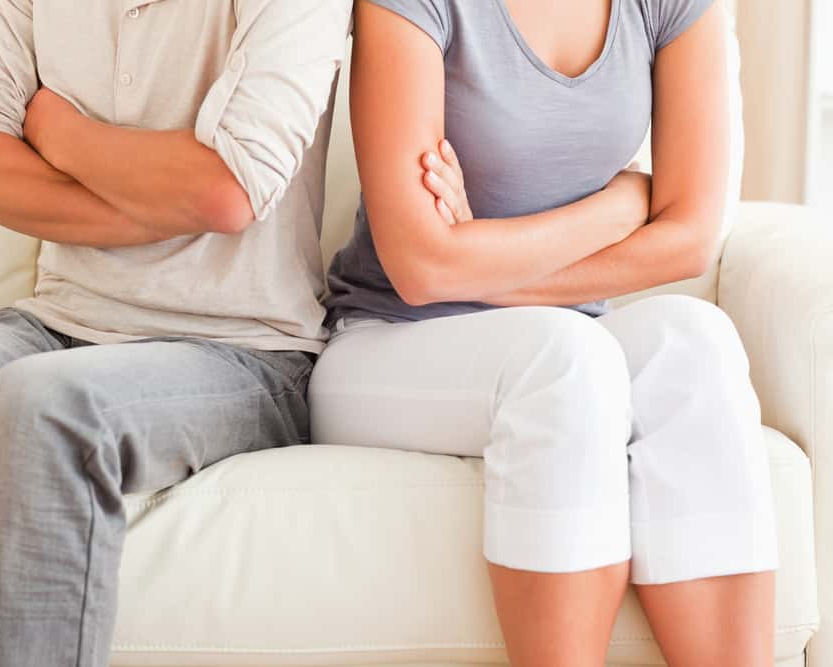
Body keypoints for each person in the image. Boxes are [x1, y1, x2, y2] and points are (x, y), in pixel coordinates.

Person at [0, 1, 351, 665]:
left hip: (241, 350)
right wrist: (160, 206)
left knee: (42, 403)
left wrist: (61, 132)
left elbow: (226, 188)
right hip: (59, 321)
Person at [310, 1, 777, 665]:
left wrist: (483, 267)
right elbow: (420, 267)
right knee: (566, 359)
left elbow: (689, 238)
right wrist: (619, 207)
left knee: (695, 342)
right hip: (388, 338)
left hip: (565, 338)